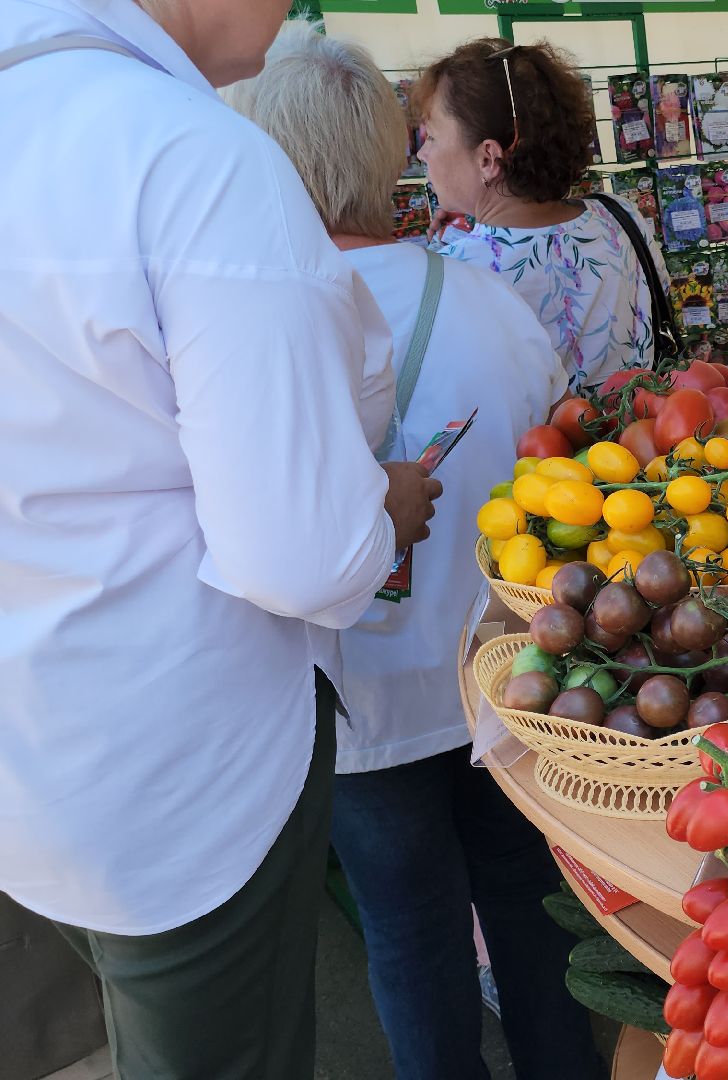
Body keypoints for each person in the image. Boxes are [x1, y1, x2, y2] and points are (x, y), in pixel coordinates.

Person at [0, 0, 441, 1075]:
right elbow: (296, 552)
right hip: (182, 773)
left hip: (33, 742)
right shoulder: (196, 157)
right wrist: (381, 507)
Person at [221, 24, 601, 1077]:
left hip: (359, 709)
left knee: (411, 939)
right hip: (509, 686)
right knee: (536, 922)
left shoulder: (257, 333)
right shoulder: (497, 307)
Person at [413, 37, 671, 390]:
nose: (422, 154)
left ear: (488, 157)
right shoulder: (621, 218)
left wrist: (455, 249)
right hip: (650, 438)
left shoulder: (454, 274)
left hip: (539, 448)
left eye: (432, 137)